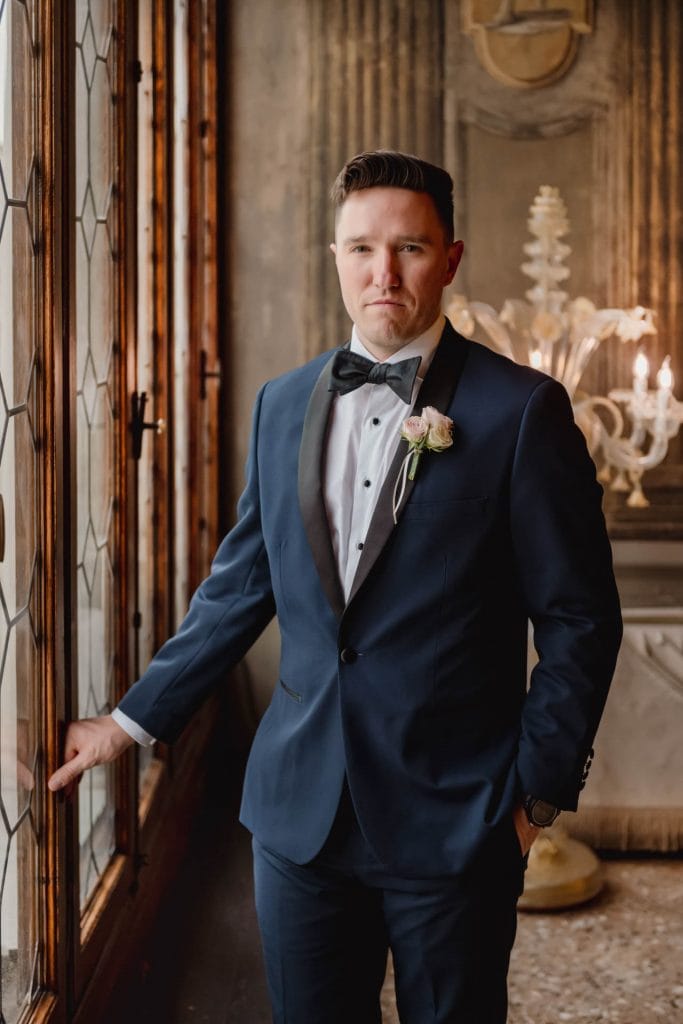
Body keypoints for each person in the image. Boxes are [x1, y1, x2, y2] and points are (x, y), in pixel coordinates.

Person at [49, 150, 622, 1023]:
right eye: (361, 248)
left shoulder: (521, 413)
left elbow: (580, 620)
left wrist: (534, 798)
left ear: (452, 258)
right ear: (335, 257)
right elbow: (239, 589)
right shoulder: (282, 403)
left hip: (458, 819)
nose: (382, 273)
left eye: (409, 249)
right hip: (298, 820)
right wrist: (127, 723)